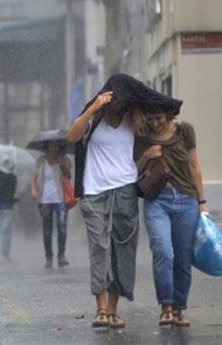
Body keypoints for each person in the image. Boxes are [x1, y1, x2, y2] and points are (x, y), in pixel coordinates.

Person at [66, 73, 152, 329]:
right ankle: (101, 309)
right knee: (100, 248)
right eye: (114, 99)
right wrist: (93, 107)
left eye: (123, 101)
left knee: (122, 250)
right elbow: (71, 137)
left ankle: (113, 310)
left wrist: (147, 158)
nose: (118, 105)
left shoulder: (132, 122)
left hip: (125, 190)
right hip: (94, 194)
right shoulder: (93, 121)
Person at [134, 105, 208, 327]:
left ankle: (178, 308)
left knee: (183, 259)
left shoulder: (185, 131)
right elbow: (132, 170)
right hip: (157, 201)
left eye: (159, 118)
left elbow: (195, 166)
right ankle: (165, 306)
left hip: (186, 200)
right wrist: (147, 155)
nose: (155, 123)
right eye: (151, 119)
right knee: (163, 252)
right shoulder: (141, 135)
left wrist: (202, 202)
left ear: (169, 115)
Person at [30, 140, 73, 268]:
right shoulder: (41, 161)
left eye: (56, 144)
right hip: (45, 200)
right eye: (52, 144)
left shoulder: (63, 159)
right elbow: (34, 177)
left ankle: (61, 256)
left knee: (62, 229)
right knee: (47, 230)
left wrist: (63, 166)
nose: (54, 147)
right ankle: (49, 257)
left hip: (60, 199)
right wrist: (33, 189)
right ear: (47, 146)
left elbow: (68, 176)